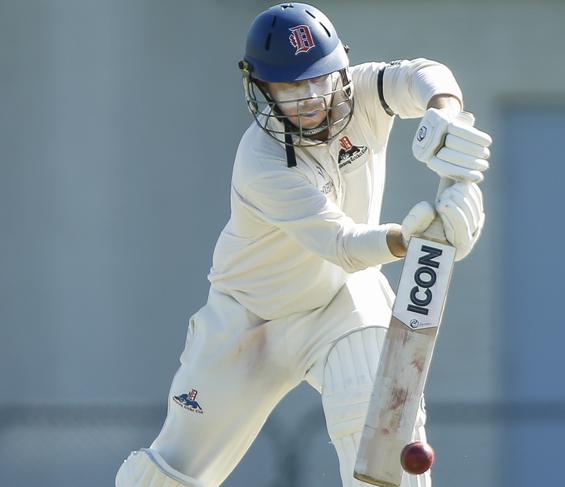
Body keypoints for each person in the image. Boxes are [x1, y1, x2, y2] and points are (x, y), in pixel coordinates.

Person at [115, 3, 492, 487]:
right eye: (291, 86)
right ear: (262, 89)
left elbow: (424, 73)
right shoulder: (261, 160)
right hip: (250, 321)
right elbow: (339, 243)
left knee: (378, 434)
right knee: (172, 474)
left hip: (342, 301)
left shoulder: (363, 94)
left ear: (340, 68)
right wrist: (414, 239)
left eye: (320, 78)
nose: (311, 96)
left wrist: (447, 116)